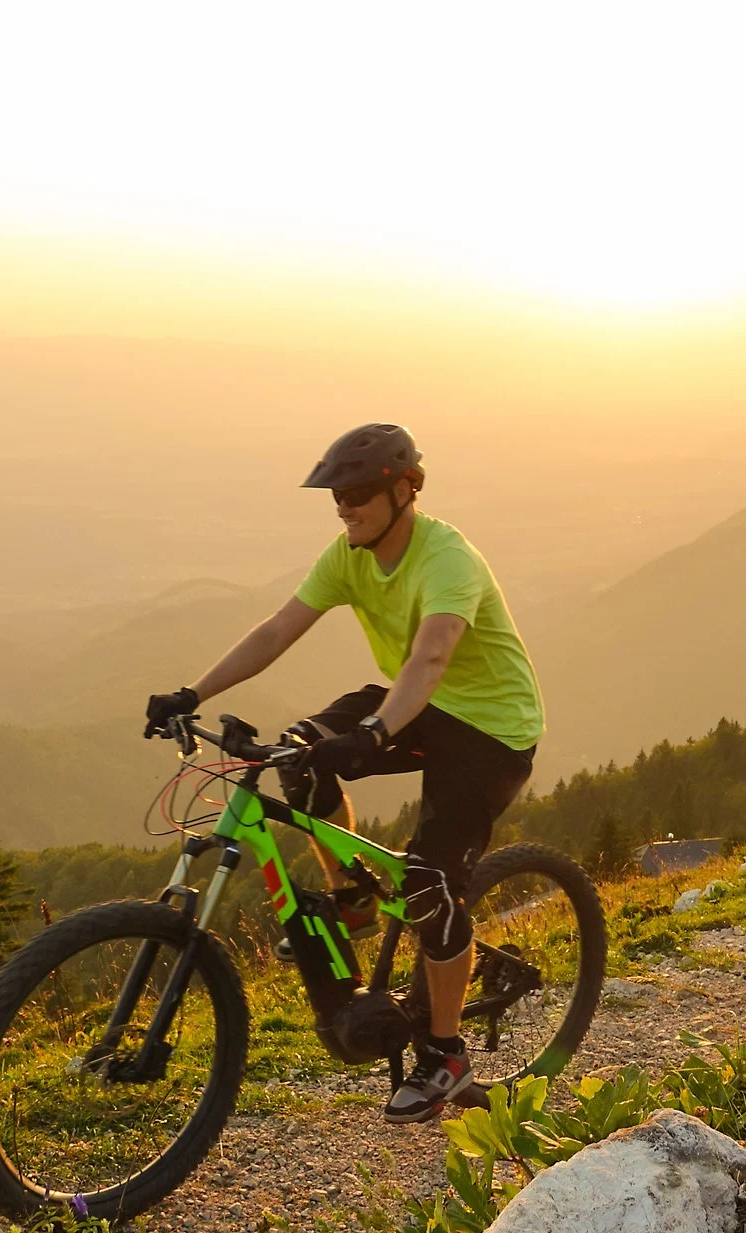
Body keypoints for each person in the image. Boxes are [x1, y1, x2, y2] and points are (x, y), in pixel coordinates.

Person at [145, 423, 543, 1123]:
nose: (344, 507)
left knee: (430, 884)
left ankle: (446, 1055)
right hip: (419, 707)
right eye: (336, 495)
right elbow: (276, 629)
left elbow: (430, 658)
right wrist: (193, 694)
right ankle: (352, 896)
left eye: (358, 493)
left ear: (405, 489)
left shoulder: (447, 560)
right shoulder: (348, 554)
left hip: (491, 728)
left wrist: (376, 733)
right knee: (299, 754)